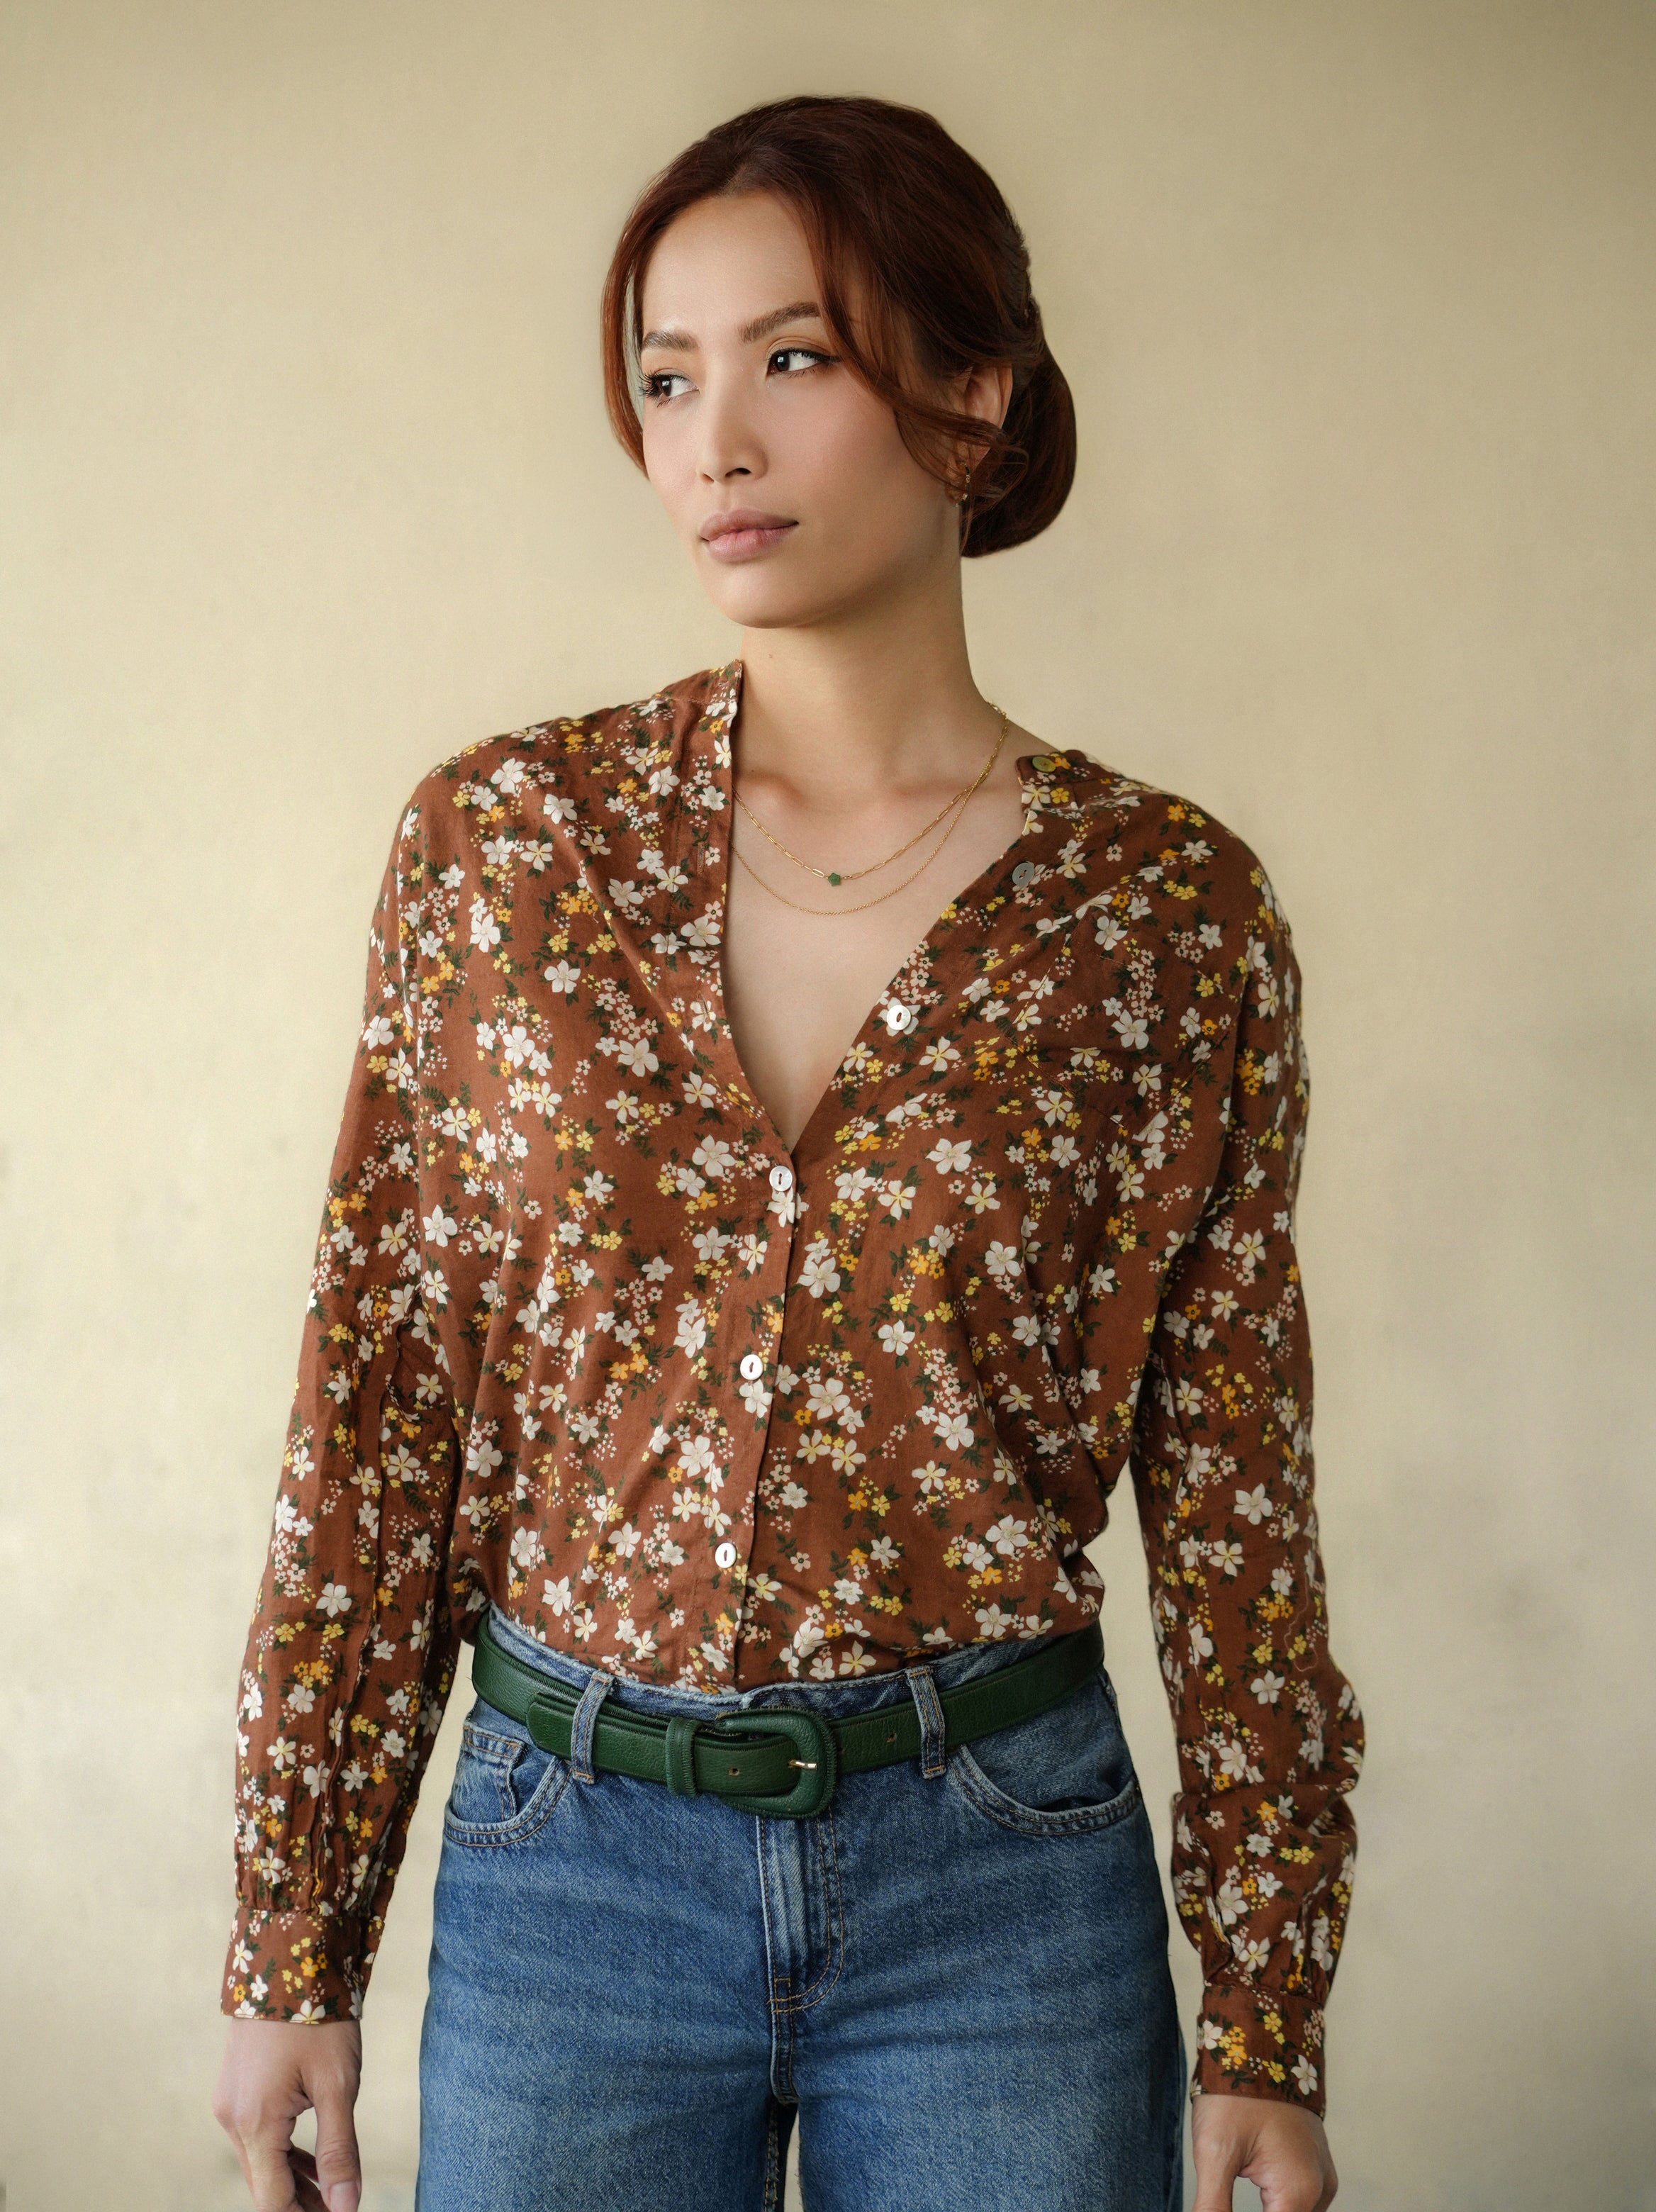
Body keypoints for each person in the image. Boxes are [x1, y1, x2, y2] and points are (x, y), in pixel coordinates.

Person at [213, 92, 1362, 2212]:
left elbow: (1233, 1500)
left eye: (794, 358)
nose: (711, 441)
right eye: (666, 376)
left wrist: (1267, 2016)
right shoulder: (508, 852)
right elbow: (386, 1396)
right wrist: (297, 1936)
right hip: (574, 1871)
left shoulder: (1166, 916)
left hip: (1003, 1880)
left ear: (975, 391)